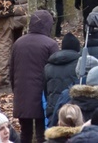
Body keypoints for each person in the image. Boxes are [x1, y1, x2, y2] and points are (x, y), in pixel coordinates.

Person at [10, 10, 59, 143]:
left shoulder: (18, 43)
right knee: (42, 134)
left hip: (22, 94)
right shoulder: (50, 44)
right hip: (42, 95)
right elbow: (55, 71)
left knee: (25, 133)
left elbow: (12, 70)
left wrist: (16, 91)